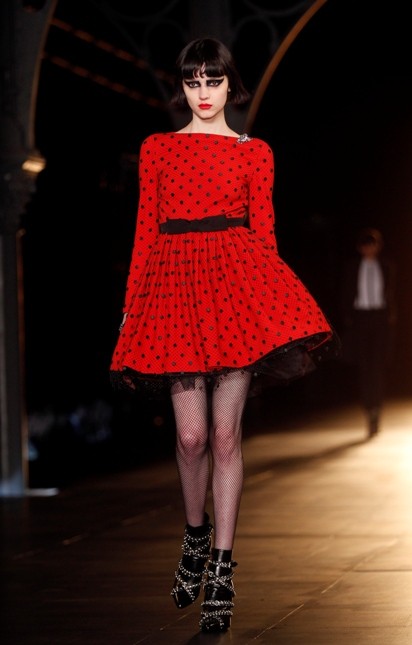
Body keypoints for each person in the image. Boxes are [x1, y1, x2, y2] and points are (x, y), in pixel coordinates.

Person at [110, 37, 339, 633]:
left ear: (230, 84)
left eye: (213, 80)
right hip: (174, 293)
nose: (204, 92)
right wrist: (132, 308)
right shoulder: (157, 148)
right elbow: (144, 232)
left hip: (235, 295)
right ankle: (194, 535)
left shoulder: (253, 152)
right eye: (193, 82)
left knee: (224, 434)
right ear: (183, 87)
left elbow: (265, 235)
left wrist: (272, 305)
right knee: (190, 438)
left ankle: (221, 567)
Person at [340, 227, 397, 437]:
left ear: (378, 246)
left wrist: (391, 316)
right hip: (361, 318)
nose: (369, 249)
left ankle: (377, 410)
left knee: (378, 366)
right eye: (366, 245)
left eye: (373, 245)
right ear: (360, 247)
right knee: (365, 367)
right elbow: (346, 292)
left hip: (380, 318)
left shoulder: (387, 266)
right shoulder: (352, 267)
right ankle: (369, 409)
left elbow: (392, 293)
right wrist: (348, 317)